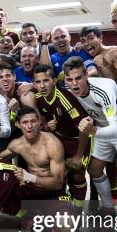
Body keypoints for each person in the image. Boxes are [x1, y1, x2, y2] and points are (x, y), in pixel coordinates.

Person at [63, 57, 117, 224]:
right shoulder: (68, 91)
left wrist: (93, 130)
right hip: (101, 128)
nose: (74, 83)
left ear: (86, 76)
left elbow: (116, 129)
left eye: (78, 78)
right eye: (69, 79)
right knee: (94, 170)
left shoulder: (104, 89)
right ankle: (108, 207)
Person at [33, 64, 91, 210]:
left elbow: (84, 128)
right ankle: (61, 209)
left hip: (78, 139)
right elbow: (44, 117)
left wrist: (78, 156)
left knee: (77, 174)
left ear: (53, 80)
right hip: (59, 139)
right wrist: (46, 125)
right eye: (38, 82)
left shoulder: (65, 99)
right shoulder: (39, 98)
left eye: (46, 80)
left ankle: (78, 210)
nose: (42, 85)